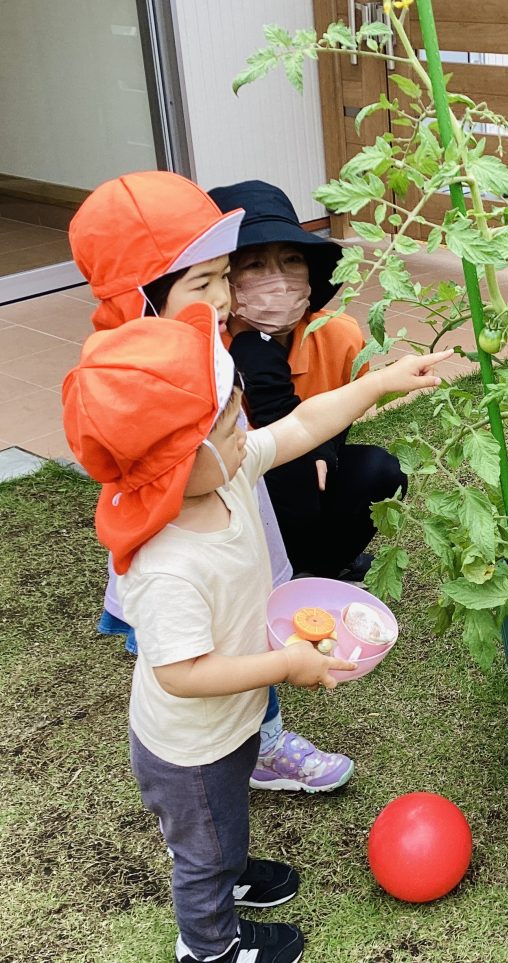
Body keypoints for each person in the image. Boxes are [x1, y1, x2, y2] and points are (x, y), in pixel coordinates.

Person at [62, 300, 451, 963]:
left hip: (228, 728)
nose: (246, 424)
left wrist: (377, 385)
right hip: (189, 750)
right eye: (228, 420)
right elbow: (180, 673)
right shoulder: (167, 564)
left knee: (224, 820)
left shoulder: (226, 474)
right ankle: (210, 944)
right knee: (201, 847)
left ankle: (230, 867)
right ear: (172, 463)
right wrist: (285, 664)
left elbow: (302, 424)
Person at [68, 171, 352, 792]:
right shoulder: (134, 372)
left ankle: (256, 730)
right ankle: (247, 741)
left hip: (228, 492)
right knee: (202, 635)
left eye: (225, 275)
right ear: (139, 298)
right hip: (193, 518)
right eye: (204, 281)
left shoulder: (207, 336)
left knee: (243, 612)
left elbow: (278, 428)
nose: (223, 297)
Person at [207, 180, 406, 581]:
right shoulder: (207, 351)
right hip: (229, 492)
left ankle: (318, 571)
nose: (278, 280)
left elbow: (336, 427)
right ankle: (263, 578)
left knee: (377, 471)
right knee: (288, 468)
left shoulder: (339, 336)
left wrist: (326, 450)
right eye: (254, 264)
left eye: (291, 259)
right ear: (224, 279)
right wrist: (253, 352)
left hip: (303, 480)